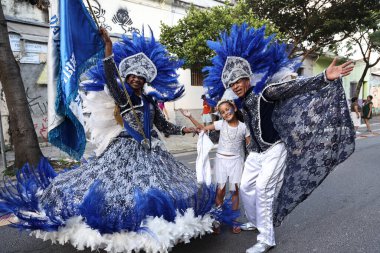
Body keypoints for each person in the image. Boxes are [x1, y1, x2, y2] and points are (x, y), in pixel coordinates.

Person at [0, 27, 231, 253]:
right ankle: (123, 233)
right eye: (132, 76)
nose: (136, 80)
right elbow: (111, 78)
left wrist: (185, 129)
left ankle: (159, 228)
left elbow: (163, 126)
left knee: (162, 188)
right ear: (127, 78)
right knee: (119, 190)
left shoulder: (150, 102)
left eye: (140, 77)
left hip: (152, 151)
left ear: (145, 80)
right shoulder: (123, 97)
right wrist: (108, 48)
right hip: (123, 149)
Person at [203, 23, 355, 253]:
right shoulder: (240, 105)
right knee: (245, 188)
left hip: (274, 149)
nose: (236, 85)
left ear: (248, 79)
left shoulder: (266, 93)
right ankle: (254, 222)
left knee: (263, 189)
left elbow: (293, 87)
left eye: (239, 81)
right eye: (232, 83)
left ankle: (266, 239)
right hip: (255, 153)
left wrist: (324, 76)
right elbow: (233, 126)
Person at [181, 100, 250, 234]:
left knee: (235, 191)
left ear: (234, 108)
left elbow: (250, 145)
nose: (225, 113)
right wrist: (189, 116)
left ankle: (234, 221)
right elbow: (202, 128)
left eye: (227, 110)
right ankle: (217, 220)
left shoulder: (243, 127)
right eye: (222, 112)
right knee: (220, 191)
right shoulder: (221, 124)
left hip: (236, 161)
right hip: (221, 161)